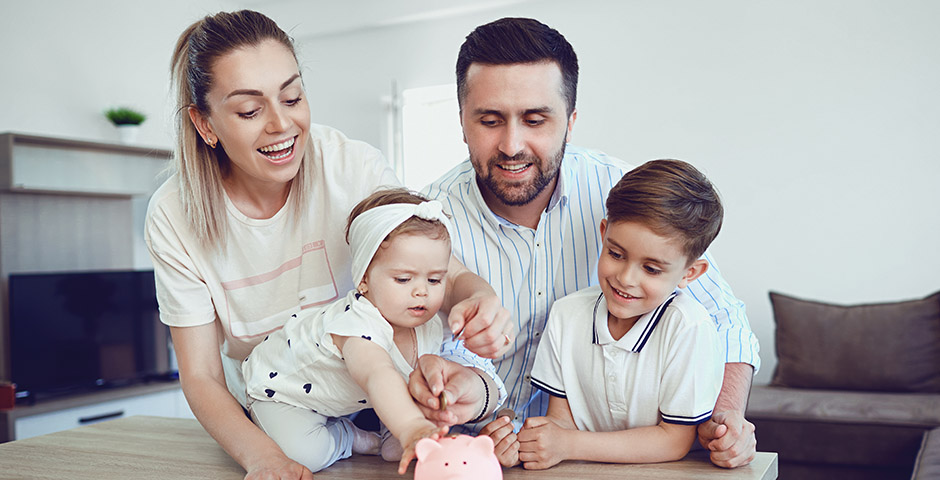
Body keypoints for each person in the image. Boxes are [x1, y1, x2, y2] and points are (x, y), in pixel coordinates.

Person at [145, 10, 511, 480]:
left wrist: (477, 296)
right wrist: (264, 458)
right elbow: (201, 376)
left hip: (375, 399)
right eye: (250, 111)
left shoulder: (351, 167)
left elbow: (442, 269)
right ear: (206, 123)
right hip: (278, 411)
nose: (281, 125)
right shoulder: (175, 215)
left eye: (292, 97)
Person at [410, 17, 759, 469]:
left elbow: (724, 318)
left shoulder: (621, 194)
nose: (512, 145)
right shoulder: (428, 220)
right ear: (461, 121)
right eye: (491, 120)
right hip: (475, 459)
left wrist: (728, 413)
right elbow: (416, 348)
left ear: (571, 121)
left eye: (535, 119)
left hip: (606, 460)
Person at [515, 159, 725, 469]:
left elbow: (675, 439)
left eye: (651, 269)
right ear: (604, 233)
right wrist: (535, 442)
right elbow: (560, 420)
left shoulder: (689, 328)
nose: (626, 278)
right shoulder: (566, 315)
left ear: (690, 273)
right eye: (616, 253)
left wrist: (569, 444)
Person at [244, 188, 461, 474]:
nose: (421, 291)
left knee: (403, 429)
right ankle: (349, 436)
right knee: (305, 455)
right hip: (282, 393)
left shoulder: (429, 324)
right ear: (364, 279)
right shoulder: (357, 324)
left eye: (435, 280)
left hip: (347, 396)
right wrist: (411, 426)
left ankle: (390, 434)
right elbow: (377, 374)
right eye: (403, 278)